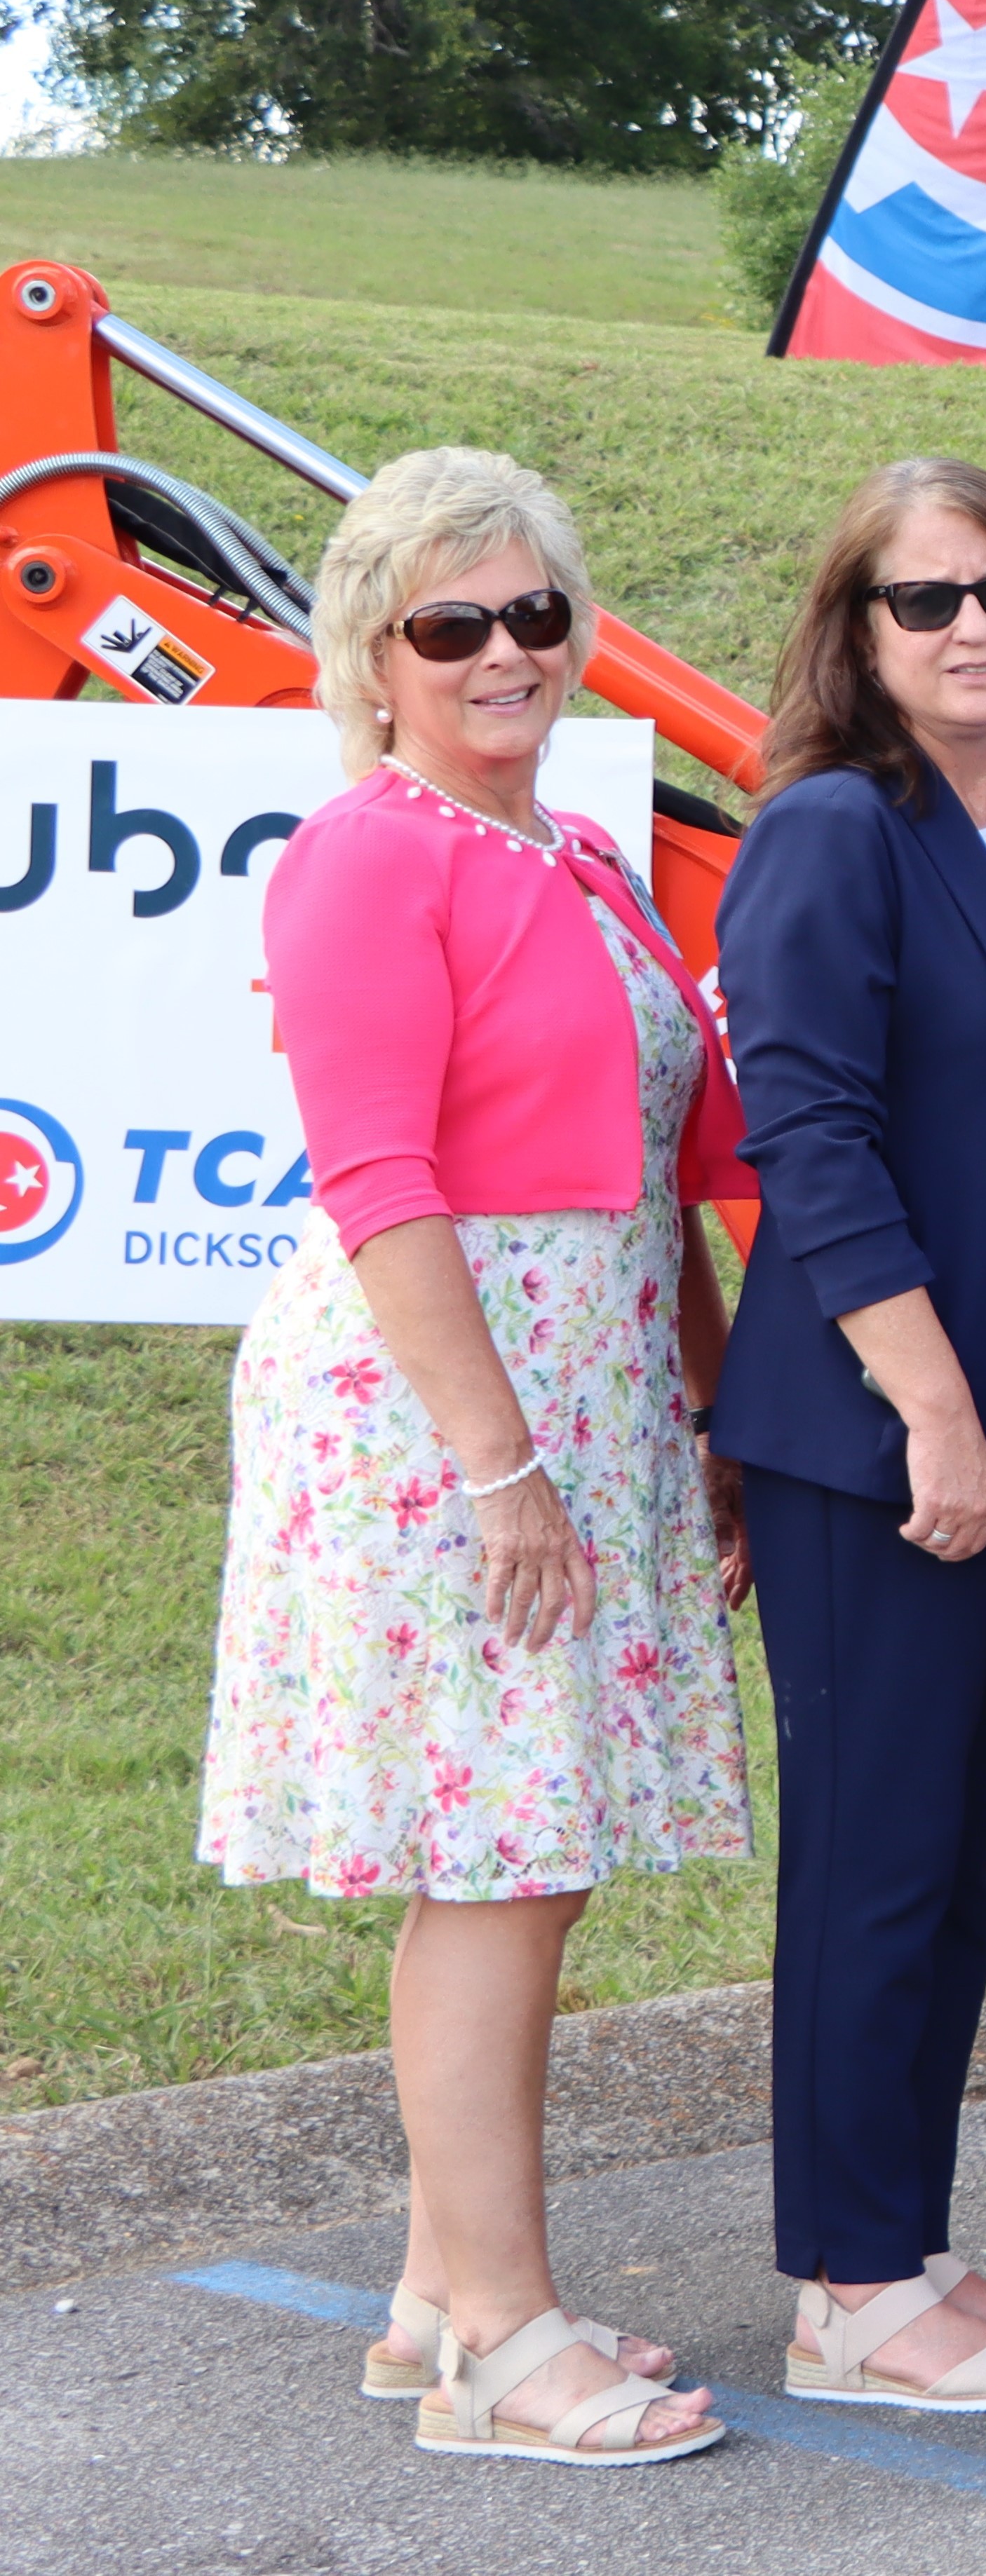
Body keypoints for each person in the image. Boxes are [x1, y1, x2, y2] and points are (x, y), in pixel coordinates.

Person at [207, 447, 752, 2467]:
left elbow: (650, 1183)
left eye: (535, 613)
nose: (505, 652)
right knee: (499, 1860)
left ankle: (443, 2287)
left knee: (526, 1854)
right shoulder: (368, 853)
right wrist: (500, 1460)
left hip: (590, 1378)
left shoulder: (576, 858)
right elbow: (380, 1182)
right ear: (374, 654)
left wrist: (697, 1402)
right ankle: (507, 2345)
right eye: (455, 624)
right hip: (455, 1399)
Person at [713, 458, 986, 2413]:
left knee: (951, 1864)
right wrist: (937, 1411)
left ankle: (905, 2249)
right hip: (885, 1443)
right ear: (855, 635)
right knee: (875, 1863)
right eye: (925, 598)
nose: (973, 626)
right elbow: (809, 1139)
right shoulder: (828, 835)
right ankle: (852, 2294)